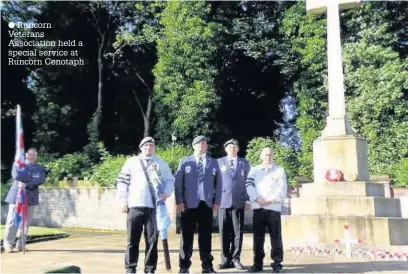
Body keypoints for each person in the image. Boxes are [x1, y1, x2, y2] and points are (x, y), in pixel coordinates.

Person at [117, 137, 174, 274]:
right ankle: (130, 268)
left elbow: (170, 180)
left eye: (152, 145)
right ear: (141, 147)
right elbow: (122, 182)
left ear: (154, 148)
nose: (149, 148)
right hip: (135, 205)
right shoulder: (131, 162)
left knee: (152, 241)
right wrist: (123, 201)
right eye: (146, 145)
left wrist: (166, 193)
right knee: (132, 240)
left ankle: (149, 269)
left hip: (154, 208)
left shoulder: (161, 163)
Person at [175, 135, 222, 274]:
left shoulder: (213, 162)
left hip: (206, 204)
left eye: (205, 143)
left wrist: (217, 201)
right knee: (186, 237)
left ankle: (207, 265)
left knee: (206, 236)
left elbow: (219, 184)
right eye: (200, 143)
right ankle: (184, 266)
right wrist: (179, 201)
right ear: (193, 145)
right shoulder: (184, 161)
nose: (203, 145)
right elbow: (178, 183)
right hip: (188, 205)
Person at [245, 147, 287, 273]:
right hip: (259, 207)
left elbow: (282, 187)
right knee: (258, 238)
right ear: (261, 156)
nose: (268, 157)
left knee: (276, 237)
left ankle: (277, 263)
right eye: (265, 155)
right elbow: (249, 185)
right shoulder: (255, 170)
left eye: (270, 155)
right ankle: (257, 264)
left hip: (273, 208)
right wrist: (257, 198)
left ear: (273, 156)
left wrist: (272, 200)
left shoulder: (280, 170)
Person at [216, 139, 251, 270]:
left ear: (238, 149)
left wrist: (247, 199)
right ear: (226, 149)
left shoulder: (244, 163)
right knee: (223, 232)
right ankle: (225, 260)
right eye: (230, 147)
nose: (232, 149)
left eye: (235, 147)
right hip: (223, 202)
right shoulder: (219, 162)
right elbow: (214, 182)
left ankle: (236, 259)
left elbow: (248, 182)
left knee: (237, 232)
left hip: (238, 202)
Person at [4, 148, 47, 253]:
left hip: (30, 198)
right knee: (12, 221)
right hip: (16, 197)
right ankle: (8, 245)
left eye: (34, 155)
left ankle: (21, 245)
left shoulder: (40, 168)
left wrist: (26, 183)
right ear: (26, 155)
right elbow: (16, 176)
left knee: (26, 223)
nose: (32, 156)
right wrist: (31, 179)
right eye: (30, 154)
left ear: (36, 157)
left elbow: (40, 180)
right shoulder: (18, 164)